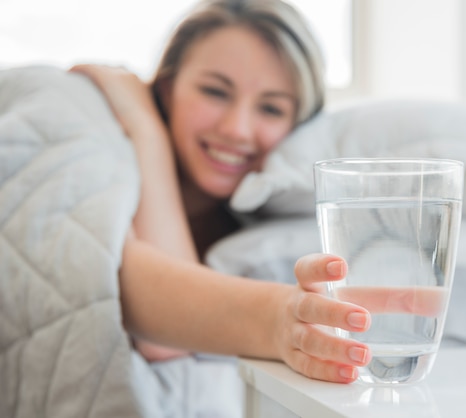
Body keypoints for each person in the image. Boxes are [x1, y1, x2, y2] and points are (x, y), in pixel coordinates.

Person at [70, 0, 372, 384]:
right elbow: (163, 342)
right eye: (214, 91)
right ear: (166, 90)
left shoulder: (264, 234)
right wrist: (146, 133)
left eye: (272, 109)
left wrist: (147, 131)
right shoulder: (105, 166)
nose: (236, 129)